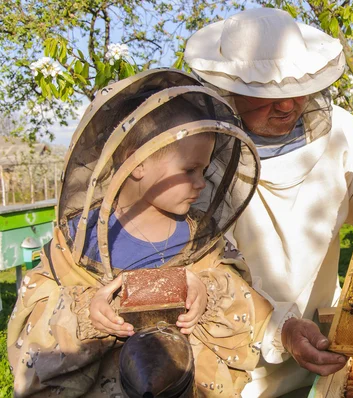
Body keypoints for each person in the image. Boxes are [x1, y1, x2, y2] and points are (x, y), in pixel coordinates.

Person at [7, 69, 273, 397]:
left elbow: (236, 287)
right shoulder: (79, 241)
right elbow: (35, 305)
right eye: (189, 170)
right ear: (137, 163)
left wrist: (206, 290)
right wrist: (87, 311)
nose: (201, 183)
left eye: (203, 170)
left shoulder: (199, 236)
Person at [185, 8, 353, 396]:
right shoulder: (201, 154)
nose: (287, 105)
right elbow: (211, 272)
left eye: (296, 88)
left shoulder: (340, 129)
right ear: (230, 89)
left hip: (328, 347)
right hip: (239, 369)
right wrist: (280, 328)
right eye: (266, 94)